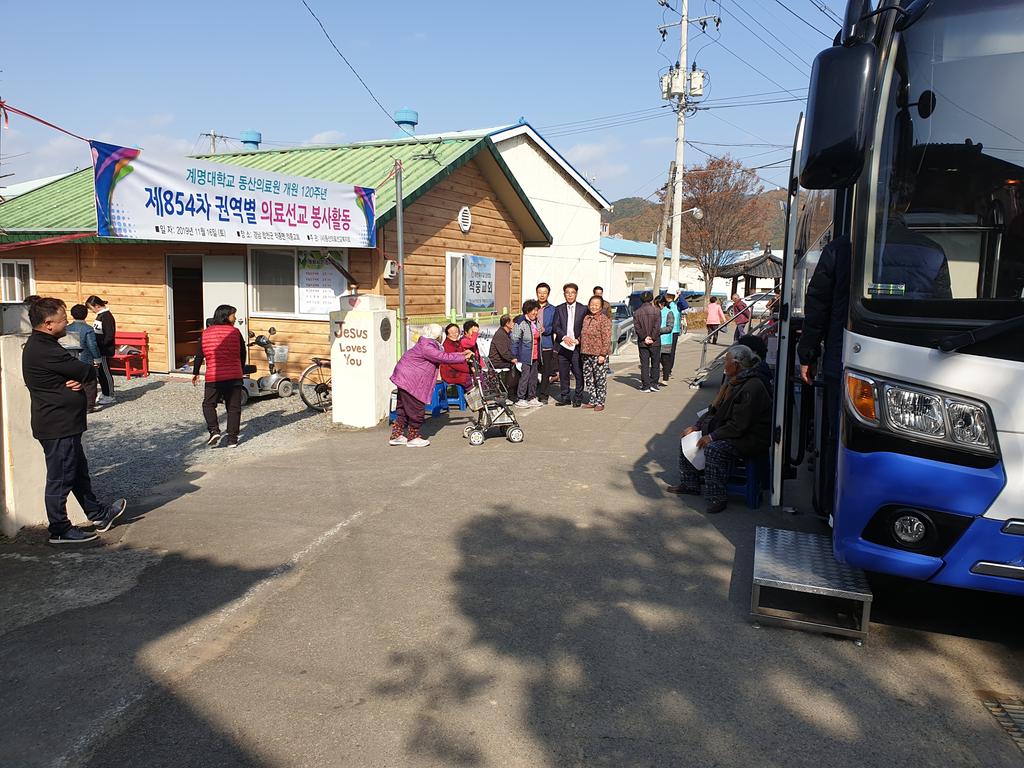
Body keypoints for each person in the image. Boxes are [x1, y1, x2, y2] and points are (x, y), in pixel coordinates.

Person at [22, 297, 126, 544]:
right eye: (62, 320)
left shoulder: (45, 344)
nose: (66, 323)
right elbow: (86, 370)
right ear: (48, 323)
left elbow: (74, 374)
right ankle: (60, 529)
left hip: (65, 423)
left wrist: (72, 379)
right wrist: (76, 376)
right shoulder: (45, 349)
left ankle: (98, 513)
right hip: (57, 425)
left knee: (78, 472)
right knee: (60, 478)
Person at [668, 344, 771, 514]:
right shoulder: (734, 382)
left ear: (736, 365)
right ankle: (690, 484)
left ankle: (717, 497)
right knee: (688, 437)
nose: (724, 365)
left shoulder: (751, 387)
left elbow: (739, 425)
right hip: (731, 429)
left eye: (726, 361)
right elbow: (714, 410)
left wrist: (712, 436)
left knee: (714, 449)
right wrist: (697, 426)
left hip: (749, 437)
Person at [797, 235, 851, 518]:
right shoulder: (930, 250)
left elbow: (817, 305)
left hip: (841, 358)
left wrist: (807, 355)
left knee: (836, 435)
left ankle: (830, 507)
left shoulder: (840, 249)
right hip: (906, 368)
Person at [389, 324, 474, 447]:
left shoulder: (425, 343)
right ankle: (413, 437)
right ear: (438, 336)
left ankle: (396, 435)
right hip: (411, 379)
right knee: (416, 407)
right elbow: (443, 357)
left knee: (403, 408)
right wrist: (463, 357)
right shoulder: (427, 346)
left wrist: (461, 354)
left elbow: (442, 355)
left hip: (403, 377)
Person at [191, 304, 246, 448]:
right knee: (233, 408)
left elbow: (199, 356)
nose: (235, 318)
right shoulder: (235, 332)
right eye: (233, 315)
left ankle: (214, 430)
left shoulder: (206, 333)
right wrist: (240, 369)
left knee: (208, 404)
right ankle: (232, 439)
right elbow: (243, 353)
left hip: (214, 376)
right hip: (234, 376)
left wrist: (195, 372)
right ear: (226, 316)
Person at [552, 282, 587, 407]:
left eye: (572, 293)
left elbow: (586, 328)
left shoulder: (583, 309)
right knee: (563, 373)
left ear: (576, 294)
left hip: (577, 346)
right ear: (564, 294)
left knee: (578, 373)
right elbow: (556, 326)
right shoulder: (559, 309)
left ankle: (578, 397)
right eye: (567, 293)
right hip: (563, 345)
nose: (570, 295)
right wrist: (564, 337)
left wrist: (579, 339)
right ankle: (565, 397)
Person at [67, 304, 102, 413]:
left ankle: (74, 404)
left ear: (72, 314)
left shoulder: (67, 328)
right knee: (89, 383)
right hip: (85, 359)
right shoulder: (88, 329)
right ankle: (88, 406)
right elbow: (92, 345)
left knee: (73, 382)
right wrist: (97, 358)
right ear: (86, 315)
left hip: (71, 359)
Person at [580, 295, 612, 411]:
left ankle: (600, 401)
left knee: (600, 379)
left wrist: (603, 354)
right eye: (592, 305)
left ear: (601, 307)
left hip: (599, 355)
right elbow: (583, 334)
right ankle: (592, 400)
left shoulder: (604, 319)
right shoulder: (586, 318)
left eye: (596, 305)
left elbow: (607, 338)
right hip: (586, 353)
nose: (594, 307)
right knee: (589, 378)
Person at [510, 299, 544, 408]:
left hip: (535, 355)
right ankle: (520, 398)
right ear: (527, 311)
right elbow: (514, 339)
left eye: (536, 310)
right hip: (524, 355)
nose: (535, 312)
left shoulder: (536, 322)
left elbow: (539, 335)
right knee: (525, 377)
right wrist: (514, 355)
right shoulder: (520, 322)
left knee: (534, 377)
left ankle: (532, 397)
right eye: (533, 310)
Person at [85, 295, 117, 406]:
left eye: (91, 308)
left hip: (104, 349)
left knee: (105, 372)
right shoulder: (100, 316)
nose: (91, 311)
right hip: (99, 349)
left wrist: (101, 346)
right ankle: (105, 392)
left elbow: (109, 335)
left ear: (97, 306)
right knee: (101, 373)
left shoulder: (106, 316)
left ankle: (110, 395)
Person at [632, 290, 662, 392]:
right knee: (655, 363)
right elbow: (657, 327)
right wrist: (652, 337)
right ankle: (654, 384)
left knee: (644, 364)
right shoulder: (657, 311)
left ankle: (646, 386)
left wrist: (644, 337)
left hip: (642, 342)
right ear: (651, 299)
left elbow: (637, 328)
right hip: (655, 342)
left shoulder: (637, 312)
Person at [535, 283, 558, 403]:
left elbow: (555, 326)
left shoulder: (553, 309)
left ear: (548, 294)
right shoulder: (532, 307)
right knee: (532, 370)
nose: (542, 295)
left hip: (547, 343)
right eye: (540, 292)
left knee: (546, 371)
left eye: (544, 292)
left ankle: (544, 395)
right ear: (536, 293)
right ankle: (531, 394)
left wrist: (546, 330)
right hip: (533, 344)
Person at [487, 314, 519, 396]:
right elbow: (504, 352)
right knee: (515, 366)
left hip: (502, 359)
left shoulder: (507, 333)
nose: (514, 323)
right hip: (497, 361)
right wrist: (512, 359)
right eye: (512, 322)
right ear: (507, 323)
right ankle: (511, 391)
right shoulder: (500, 334)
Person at [440, 323, 472, 389]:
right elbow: (453, 363)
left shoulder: (457, 343)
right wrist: (469, 369)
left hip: (458, 370)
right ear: (447, 334)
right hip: (451, 373)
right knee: (469, 379)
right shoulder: (447, 345)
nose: (455, 334)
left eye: (456, 332)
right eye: (452, 332)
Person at [664, 288, 683, 381]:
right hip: (664, 330)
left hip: (674, 331)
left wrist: (680, 296)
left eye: (670, 296)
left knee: (671, 351)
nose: (668, 298)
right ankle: (665, 367)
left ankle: (668, 369)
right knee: (663, 350)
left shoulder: (677, 305)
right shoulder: (664, 305)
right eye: (667, 296)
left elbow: (685, 305)